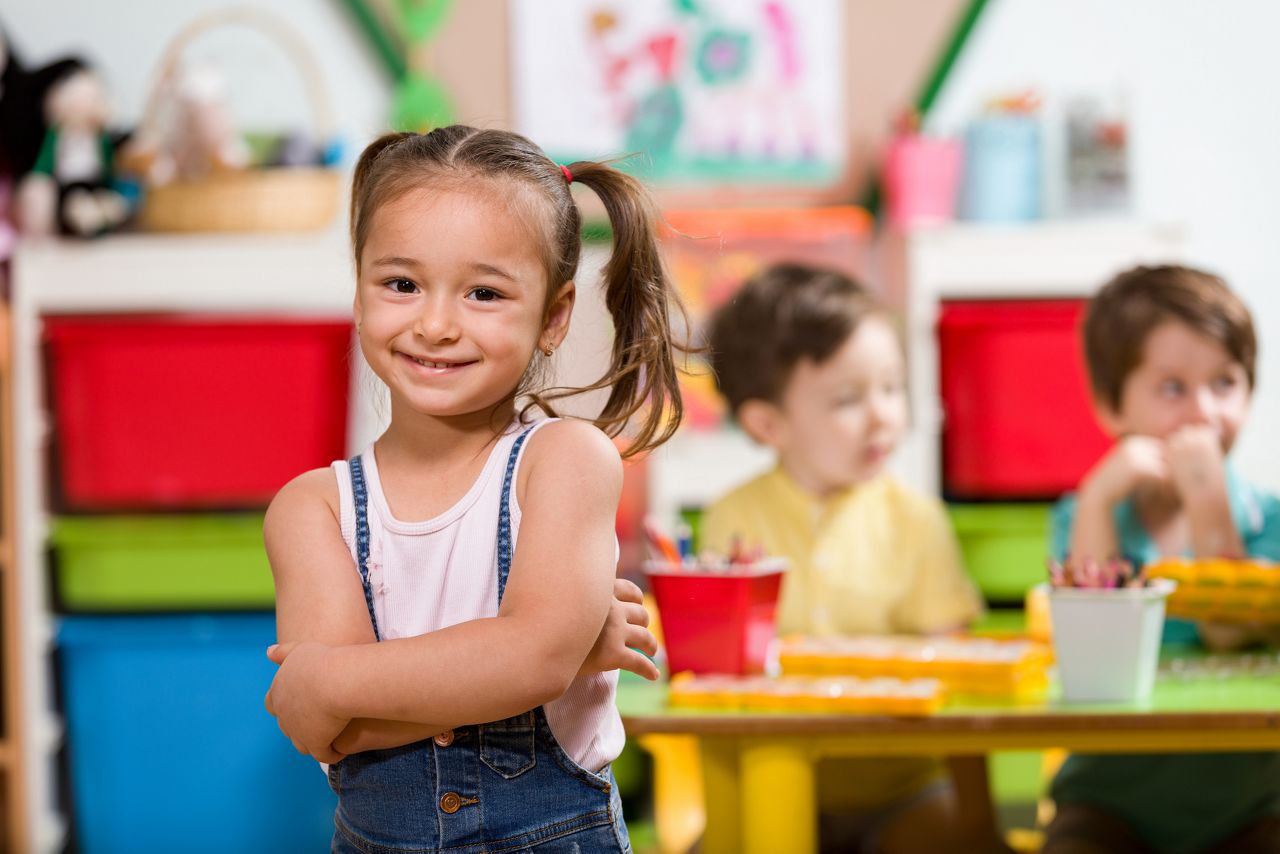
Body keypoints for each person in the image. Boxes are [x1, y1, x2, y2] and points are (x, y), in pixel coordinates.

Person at [262, 125, 687, 853]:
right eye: (401, 284)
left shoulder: (566, 462)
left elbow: (527, 661)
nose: (434, 324)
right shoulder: (312, 508)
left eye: (483, 293)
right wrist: (552, 652)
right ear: (359, 290)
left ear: (553, 317)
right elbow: (330, 728)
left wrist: (333, 678)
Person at [701, 263, 1003, 853]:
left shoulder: (914, 519)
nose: (883, 416)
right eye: (848, 398)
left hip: (904, 792)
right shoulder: (731, 521)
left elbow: (965, 686)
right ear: (768, 423)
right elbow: (710, 682)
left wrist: (979, 821)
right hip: (768, 778)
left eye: (891, 387)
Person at [1043, 264, 1280, 854]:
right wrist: (1099, 499)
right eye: (1172, 388)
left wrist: (1206, 501)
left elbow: (1227, 634)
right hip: (1107, 800)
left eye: (1224, 383)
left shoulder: (1268, 521)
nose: (1203, 411)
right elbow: (1092, 650)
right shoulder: (1081, 519)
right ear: (1110, 406)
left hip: (1251, 804)